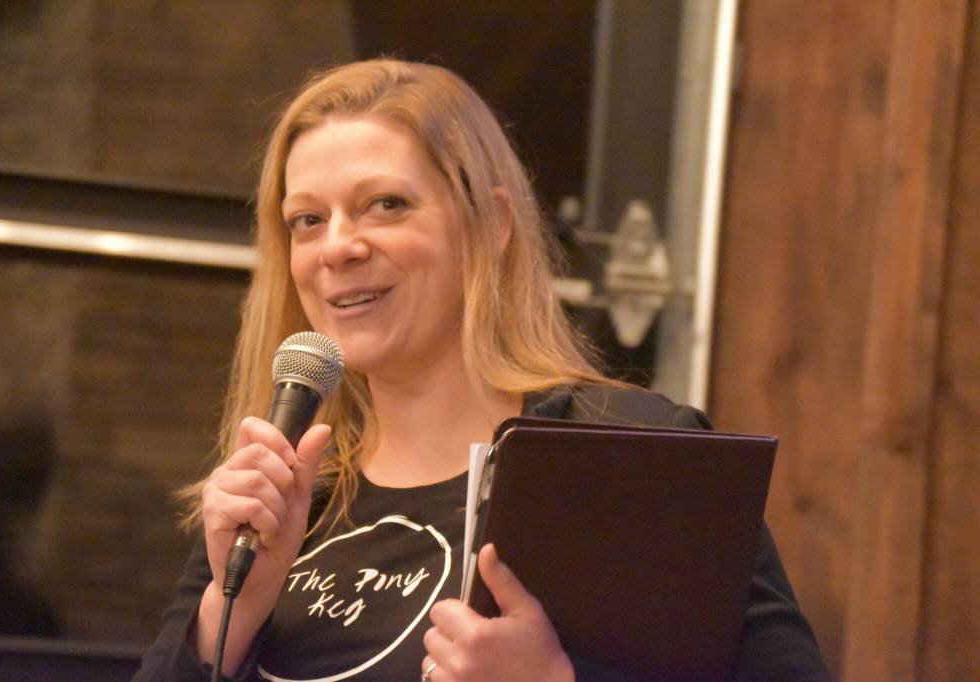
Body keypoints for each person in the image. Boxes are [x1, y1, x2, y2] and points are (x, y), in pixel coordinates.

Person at [135, 59, 828, 681]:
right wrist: (231, 612)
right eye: (308, 220)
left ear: (490, 225)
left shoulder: (639, 456)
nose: (337, 247)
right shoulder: (281, 493)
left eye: (386, 205)